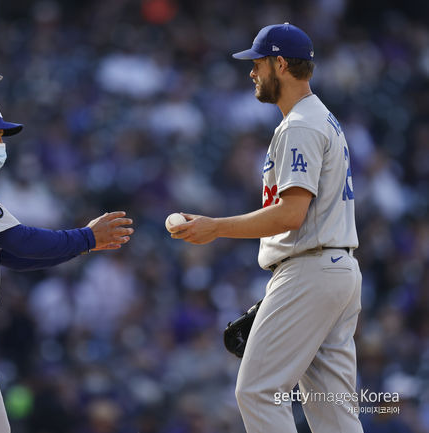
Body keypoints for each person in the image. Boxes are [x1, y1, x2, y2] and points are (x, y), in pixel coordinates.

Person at [169, 23, 363, 432]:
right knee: (333, 409)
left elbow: (291, 214)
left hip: (310, 268)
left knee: (257, 390)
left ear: (280, 63)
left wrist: (215, 227)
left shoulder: (301, 125)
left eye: (257, 63)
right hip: (336, 269)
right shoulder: (322, 119)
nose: (251, 72)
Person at [0, 98, 134, 433]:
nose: (0, 145)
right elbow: (21, 242)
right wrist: (86, 238)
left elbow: (13, 257)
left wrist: (85, 245)